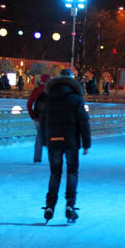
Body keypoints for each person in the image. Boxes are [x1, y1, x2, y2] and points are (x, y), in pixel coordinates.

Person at [39, 69, 91, 223]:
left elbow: (43, 121)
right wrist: (86, 143)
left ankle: (50, 205)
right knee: (72, 172)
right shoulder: (76, 98)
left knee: (55, 173)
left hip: (53, 141)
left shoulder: (48, 97)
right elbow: (83, 121)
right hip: (70, 141)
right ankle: (70, 204)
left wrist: (44, 140)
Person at [27, 74, 51, 163]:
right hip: (49, 118)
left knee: (39, 137)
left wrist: (32, 115)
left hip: (38, 117)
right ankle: (52, 158)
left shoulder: (36, 90)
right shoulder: (52, 91)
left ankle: (37, 158)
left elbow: (29, 103)